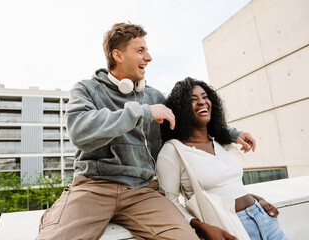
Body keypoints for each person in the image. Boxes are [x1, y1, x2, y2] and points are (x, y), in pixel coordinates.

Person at [37, 23, 253, 240]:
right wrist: (143, 112)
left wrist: (232, 133)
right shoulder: (86, 90)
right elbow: (80, 131)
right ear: (118, 55)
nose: (148, 57)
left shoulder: (154, 97)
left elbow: (189, 120)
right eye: (140, 50)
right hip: (94, 187)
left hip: (142, 191)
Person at [156, 77, 288, 240]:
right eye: (193, 99)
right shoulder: (173, 150)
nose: (202, 102)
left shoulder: (217, 141)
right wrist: (203, 228)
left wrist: (256, 199)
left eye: (205, 97)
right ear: (180, 108)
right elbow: (170, 203)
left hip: (264, 218)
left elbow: (229, 186)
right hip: (231, 228)